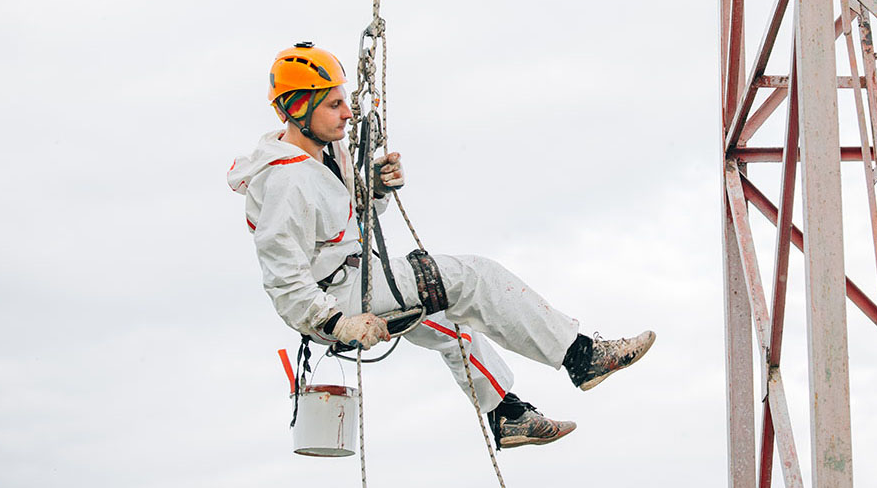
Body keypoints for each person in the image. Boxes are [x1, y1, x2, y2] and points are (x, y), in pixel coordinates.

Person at [228, 42, 655, 449]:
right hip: (335, 297)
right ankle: (582, 355)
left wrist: (375, 189)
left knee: (452, 326)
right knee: (473, 278)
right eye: (334, 104)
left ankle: (506, 416)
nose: (346, 113)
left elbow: (343, 217)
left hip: (356, 277)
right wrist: (339, 324)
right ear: (298, 108)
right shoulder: (286, 180)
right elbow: (284, 280)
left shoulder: (324, 152)